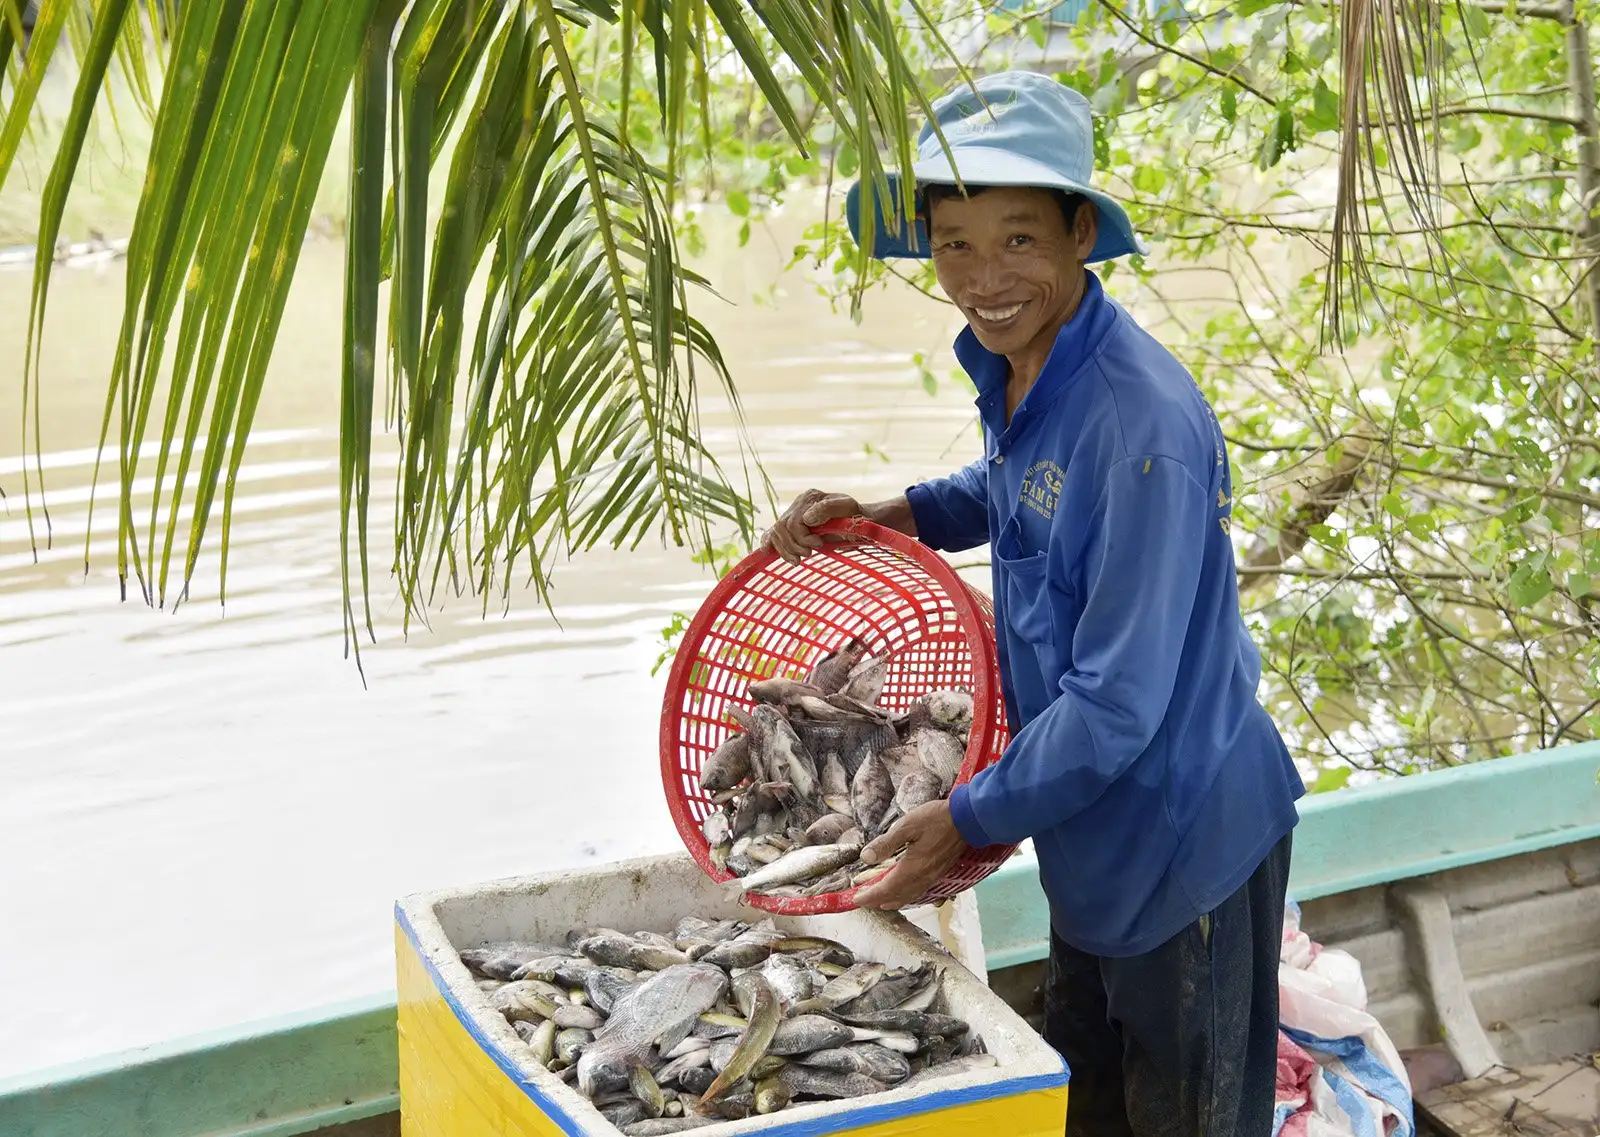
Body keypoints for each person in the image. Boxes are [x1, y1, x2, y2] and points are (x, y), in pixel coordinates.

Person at [760, 70, 1305, 1137]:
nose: (981, 276)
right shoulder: (1027, 368)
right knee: (1092, 1096)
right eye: (954, 242)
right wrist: (890, 513)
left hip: (1179, 832)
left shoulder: (1137, 423)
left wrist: (959, 816)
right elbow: (1018, 497)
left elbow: (1115, 708)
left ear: (1079, 232)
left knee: (1188, 1115)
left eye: (1017, 239)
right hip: (1081, 821)